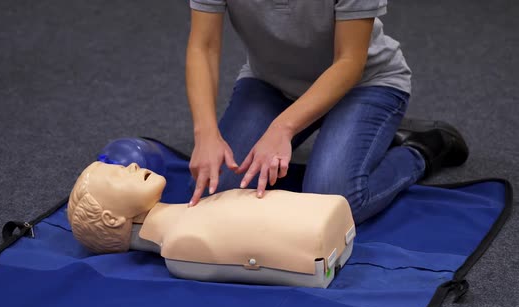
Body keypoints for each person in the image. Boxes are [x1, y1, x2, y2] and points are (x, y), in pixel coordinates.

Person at [185, 0, 468, 224]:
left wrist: (281, 128)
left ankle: (420, 151)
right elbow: (204, 47)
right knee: (214, 190)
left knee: (331, 204)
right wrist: (206, 133)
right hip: (272, 85)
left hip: (363, 85)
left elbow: (349, 62)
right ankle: (354, 147)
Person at [66, 161, 355, 287]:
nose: (129, 166)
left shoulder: (191, 217)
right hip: (314, 240)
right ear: (110, 219)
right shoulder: (180, 247)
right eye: (117, 175)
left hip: (322, 224)